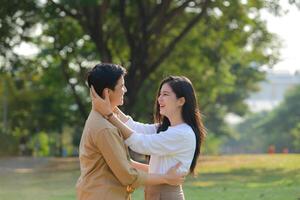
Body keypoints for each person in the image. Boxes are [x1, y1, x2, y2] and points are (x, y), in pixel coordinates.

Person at [76, 64, 185, 200]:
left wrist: (162, 171)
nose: (125, 90)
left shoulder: (102, 119)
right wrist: (165, 178)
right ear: (107, 93)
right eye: (122, 86)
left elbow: (125, 161)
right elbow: (128, 175)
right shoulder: (105, 127)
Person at [91, 75, 206, 200]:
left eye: (165, 95)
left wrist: (109, 114)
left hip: (167, 195)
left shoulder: (182, 133)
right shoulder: (166, 129)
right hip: (155, 193)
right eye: (160, 94)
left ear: (181, 101)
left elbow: (140, 143)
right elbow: (135, 127)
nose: (159, 99)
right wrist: (111, 104)